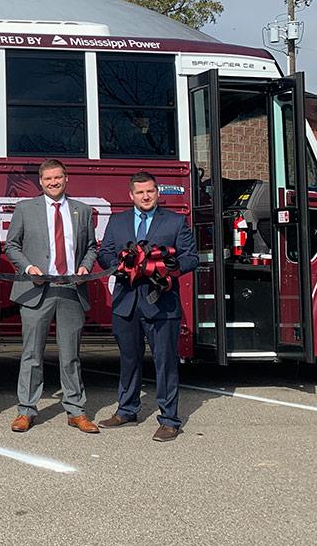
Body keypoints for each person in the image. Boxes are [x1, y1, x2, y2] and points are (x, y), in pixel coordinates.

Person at [96, 171, 198, 442]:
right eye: (140, 192)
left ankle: (169, 419)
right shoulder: (117, 222)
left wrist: (168, 268)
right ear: (131, 195)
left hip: (162, 305)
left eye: (150, 191)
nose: (145, 196)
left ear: (157, 193)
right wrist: (120, 262)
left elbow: (191, 258)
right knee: (129, 360)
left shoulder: (176, 222)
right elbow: (104, 253)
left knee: (165, 362)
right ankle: (127, 410)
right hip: (126, 304)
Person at [5, 159, 100, 434]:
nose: (53, 182)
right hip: (36, 289)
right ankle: (26, 410)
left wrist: (85, 266)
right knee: (31, 354)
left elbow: (91, 247)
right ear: (40, 181)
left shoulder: (81, 211)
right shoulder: (25, 208)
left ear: (66, 178)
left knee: (71, 355)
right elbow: (11, 245)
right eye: (48, 179)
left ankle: (76, 410)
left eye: (58, 177)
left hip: (71, 289)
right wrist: (27, 267)